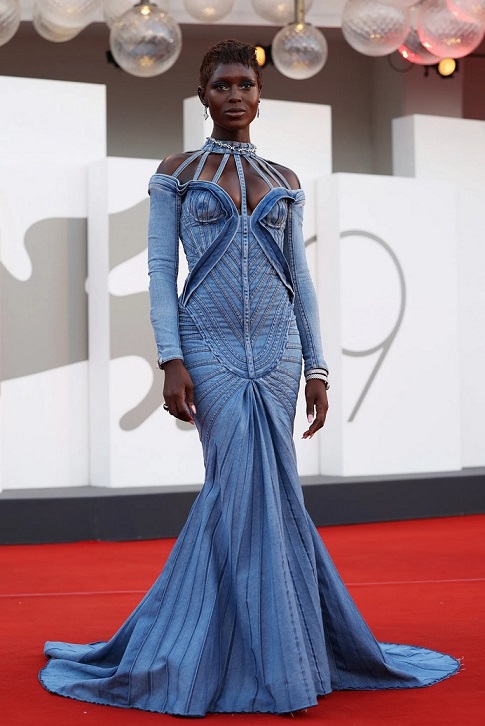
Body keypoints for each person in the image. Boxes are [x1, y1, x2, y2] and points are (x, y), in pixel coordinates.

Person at [39, 39, 460, 717]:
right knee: (234, 487)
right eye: (222, 85)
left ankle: (285, 650)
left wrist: (316, 367)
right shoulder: (176, 173)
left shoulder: (284, 177)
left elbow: (301, 280)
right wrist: (170, 358)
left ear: (260, 95)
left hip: (277, 350)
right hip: (207, 347)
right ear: (202, 95)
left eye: (246, 84)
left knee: (278, 491)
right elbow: (159, 272)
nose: (235, 95)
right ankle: (214, 648)